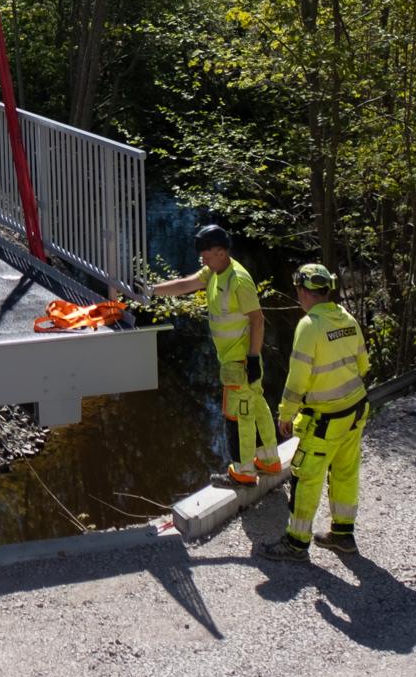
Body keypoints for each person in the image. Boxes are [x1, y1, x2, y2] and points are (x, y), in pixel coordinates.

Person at [150, 224, 281, 486]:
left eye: (207, 255)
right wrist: (151, 290)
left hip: (240, 361)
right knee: (256, 406)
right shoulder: (214, 271)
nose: (203, 260)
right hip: (235, 359)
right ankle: (269, 460)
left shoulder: (238, 280)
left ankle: (243, 472)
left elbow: (258, 320)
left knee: (239, 414)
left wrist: (253, 358)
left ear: (221, 252)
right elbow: (186, 284)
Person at [262, 262, 368, 562]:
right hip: (356, 409)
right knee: (345, 472)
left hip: (327, 419)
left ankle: (296, 544)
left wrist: (286, 413)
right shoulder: (346, 317)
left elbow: (297, 379)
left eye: (298, 290)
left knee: (305, 477)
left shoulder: (310, 326)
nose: (298, 296)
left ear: (304, 292)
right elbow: (363, 365)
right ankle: (343, 535)